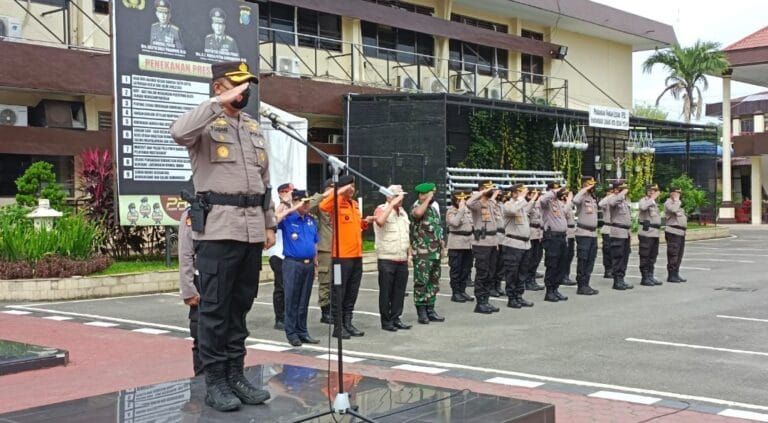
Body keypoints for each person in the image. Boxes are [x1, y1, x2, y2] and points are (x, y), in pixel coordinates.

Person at [170, 60, 272, 411]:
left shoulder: (253, 128)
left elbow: (265, 182)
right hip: (217, 231)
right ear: (219, 87)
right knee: (214, 310)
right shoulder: (203, 124)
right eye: (238, 85)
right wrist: (216, 104)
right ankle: (214, 380)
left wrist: (269, 223)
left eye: (248, 86)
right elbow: (177, 132)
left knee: (239, 309)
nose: (245, 91)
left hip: (251, 232)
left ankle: (235, 374)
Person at [319, 174, 373, 339]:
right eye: (350, 186)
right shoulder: (336, 202)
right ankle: (338, 326)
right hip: (341, 257)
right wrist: (340, 191)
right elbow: (322, 205)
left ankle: (348, 323)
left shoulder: (354, 204)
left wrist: (364, 223)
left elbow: (353, 226)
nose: (352, 190)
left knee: (352, 292)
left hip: (356, 255)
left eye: (353, 187)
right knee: (339, 292)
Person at [279, 190, 320, 347]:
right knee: (292, 299)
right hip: (292, 264)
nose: (307, 205)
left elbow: (314, 243)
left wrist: (315, 264)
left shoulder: (310, 220)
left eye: (308, 202)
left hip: (308, 264)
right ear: (296, 202)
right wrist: (289, 206)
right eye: (304, 202)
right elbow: (274, 219)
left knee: (304, 300)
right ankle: (291, 333)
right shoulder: (288, 219)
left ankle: (302, 331)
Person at [373, 185, 413, 332]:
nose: (400, 199)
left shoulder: (403, 213)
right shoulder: (381, 209)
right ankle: (386, 321)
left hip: (401, 257)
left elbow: (406, 235)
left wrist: (409, 254)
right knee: (386, 292)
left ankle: (396, 317)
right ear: (389, 196)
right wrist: (391, 204)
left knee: (399, 291)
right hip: (387, 258)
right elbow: (380, 221)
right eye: (397, 196)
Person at [410, 182, 446, 324]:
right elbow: (417, 214)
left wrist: (442, 246)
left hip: (434, 251)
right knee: (421, 281)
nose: (433, 195)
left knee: (433, 281)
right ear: (423, 194)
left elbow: (437, 228)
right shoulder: (417, 205)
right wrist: (426, 200)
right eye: (431, 193)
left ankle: (431, 309)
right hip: (422, 252)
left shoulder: (433, 208)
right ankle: (421, 311)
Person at [466, 181, 501, 314]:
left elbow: (494, 224)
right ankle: (480, 303)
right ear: (481, 189)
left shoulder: (491, 203)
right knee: (482, 273)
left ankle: (486, 300)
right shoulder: (477, 204)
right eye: (488, 187)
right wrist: (481, 193)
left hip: (492, 242)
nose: (491, 189)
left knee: (490, 273)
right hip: (481, 243)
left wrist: (496, 241)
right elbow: (468, 203)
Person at [500, 184, 535, 309]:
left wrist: (533, 197)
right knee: (512, 272)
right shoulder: (508, 205)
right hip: (513, 244)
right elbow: (512, 210)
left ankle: (519, 296)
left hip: (525, 244)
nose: (523, 195)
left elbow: (528, 207)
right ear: (514, 193)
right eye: (520, 192)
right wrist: (522, 197)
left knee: (522, 272)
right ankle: (512, 298)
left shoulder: (521, 206)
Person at [178, 207, 201, 375]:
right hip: (202, 282)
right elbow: (186, 252)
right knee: (201, 335)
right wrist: (188, 288)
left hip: (226, 281)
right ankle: (201, 383)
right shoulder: (194, 212)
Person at [307, 179, 334, 324]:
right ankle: (326, 311)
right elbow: (308, 207)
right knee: (326, 280)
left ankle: (336, 310)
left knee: (339, 281)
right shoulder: (322, 205)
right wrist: (324, 195)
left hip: (342, 249)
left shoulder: (341, 203)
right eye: (332, 188)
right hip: (326, 247)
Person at [270, 182, 295, 331]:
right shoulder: (275, 208)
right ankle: (279, 318)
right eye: (290, 192)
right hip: (278, 254)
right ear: (282, 193)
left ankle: (290, 315)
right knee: (281, 287)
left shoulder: (294, 210)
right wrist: (284, 203)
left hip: (292, 255)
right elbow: (274, 220)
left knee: (291, 288)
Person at [539, 182, 569, 302]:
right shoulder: (547, 202)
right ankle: (549, 291)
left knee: (562, 264)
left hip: (561, 237)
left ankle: (556, 288)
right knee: (552, 264)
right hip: (552, 237)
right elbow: (542, 199)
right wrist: (554, 192)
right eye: (556, 189)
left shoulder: (558, 202)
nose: (559, 190)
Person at [572, 176, 600, 295]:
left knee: (590, 259)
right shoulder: (582, 196)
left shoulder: (592, 198)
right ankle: (581, 285)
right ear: (585, 184)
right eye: (590, 184)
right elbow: (575, 200)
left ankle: (586, 284)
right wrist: (584, 189)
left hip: (593, 233)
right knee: (583, 259)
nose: (593, 186)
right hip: (583, 233)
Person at [604, 181, 634, 291]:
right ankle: (617, 280)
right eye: (622, 189)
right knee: (618, 257)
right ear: (616, 189)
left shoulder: (624, 201)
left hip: (625, 232)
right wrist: (621, 192)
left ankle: (621, 278)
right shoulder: (612, 198)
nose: (625, 191)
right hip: (617, 232)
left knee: (625, 256)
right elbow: (611, 203)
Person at [446, 191, 475, 303]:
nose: (462, 201)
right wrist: (461, 209)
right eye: (459, 199)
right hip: (456, 243)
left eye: (463, 199)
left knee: (466, 269)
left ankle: (462, 290)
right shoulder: (451, 211)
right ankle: (456, 292)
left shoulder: (468, 211)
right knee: (456, 270)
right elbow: (455, 223)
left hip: (468, 243)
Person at [638, 183, 663, 286]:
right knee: (645, 256)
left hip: (654, 233)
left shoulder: (654, 203)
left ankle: (650, 275)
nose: (655, 192)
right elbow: (643, 207)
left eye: (656, 191)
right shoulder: (644, 200)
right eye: (653, 190)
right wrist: (652, 198)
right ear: (648, 191)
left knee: (653, 256)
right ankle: (645, 277)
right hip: (646, 233)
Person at [520, 189, 544, 291]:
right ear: (528, 195)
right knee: (530, 259)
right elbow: (526, 211)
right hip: (531, 233)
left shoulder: (537, 205)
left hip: (538, 233)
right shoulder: (525, 204)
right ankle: (527, 281)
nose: (536, 195)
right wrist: (533, 199)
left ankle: (532, 279)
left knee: (537, 258)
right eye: (533, 194)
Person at [664, 186, 688, 282]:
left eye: (679, 193)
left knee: (679, 254)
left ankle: (676, 273)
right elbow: (673, 210)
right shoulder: (668, 203)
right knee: (673, 254)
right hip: (673, 232)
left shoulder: (678, 204)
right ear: (671, 193)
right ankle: (671, 275)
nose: (678, 195)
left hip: (681, 232)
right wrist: (677, 200)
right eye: (676, 193)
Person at [599, 183, 615, 279]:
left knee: (616, 251)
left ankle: (614, 268)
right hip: (608, 229)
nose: (612, 193)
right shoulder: (606, 201)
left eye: (612, 191)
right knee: (608, 251)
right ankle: (608, 270)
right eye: (609, 191)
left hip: (616, 229)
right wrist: (609, 196)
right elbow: (600, 204)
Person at [561, 189, 577, 286]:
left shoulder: (568, 205)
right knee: (565, 256)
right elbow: (563, 213)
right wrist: (568, 201)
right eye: (566, 195)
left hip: (571, 232)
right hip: (565, 232)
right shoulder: (561, 205)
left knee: (570, 255)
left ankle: (566, 275)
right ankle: (563, 276)